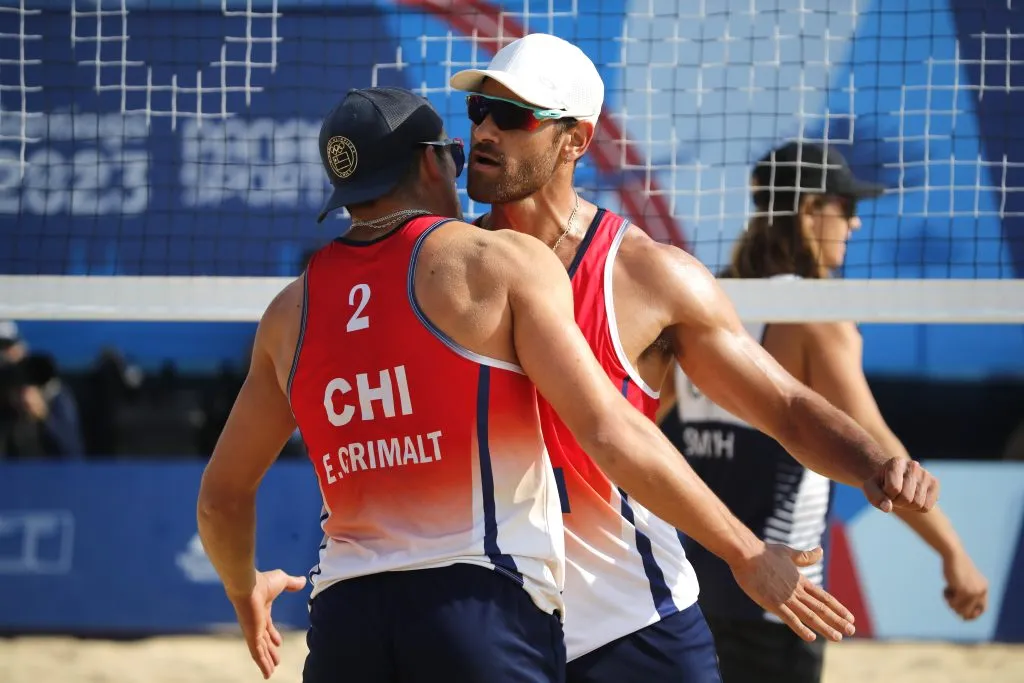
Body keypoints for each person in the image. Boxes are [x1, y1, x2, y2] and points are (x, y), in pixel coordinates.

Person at [195, 87, 855, 683]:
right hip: (477, 607)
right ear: (432, 164)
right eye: (455, 149)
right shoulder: (493, 265)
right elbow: (609, 430)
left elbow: (221, 499)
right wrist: (744, 551)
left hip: (343, 619)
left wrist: (241, 586)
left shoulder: (288, 314)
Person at [450, 33, 940, 683]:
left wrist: (875, 466)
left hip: (629, 619)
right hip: (493, 619)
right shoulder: (443, 265)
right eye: (478, 110)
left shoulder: (649, 276)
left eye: (511, 116)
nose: (485, 129)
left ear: (575, 141)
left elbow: (787, 407)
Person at [658, 140, 990, 683]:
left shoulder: (705, 306)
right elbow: (879, 453)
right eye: (848, 208)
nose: (855, 226)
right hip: (781, 595)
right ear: (811, 209)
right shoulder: (816, 319)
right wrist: (953, 552)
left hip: (693, 586)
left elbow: (636, 422)